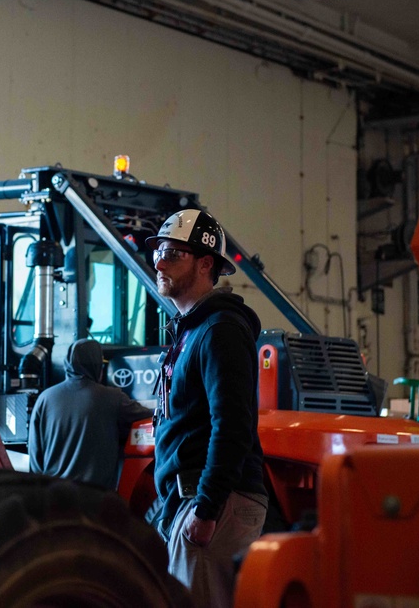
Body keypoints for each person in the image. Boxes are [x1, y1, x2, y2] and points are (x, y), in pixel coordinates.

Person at [145, 209, 267, 608]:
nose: (159, 262)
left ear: (206, 264)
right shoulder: (192, 330)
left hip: (215, 502)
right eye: (159, 252)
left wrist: (207, 509)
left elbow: (232, 425)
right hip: (191, 499)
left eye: (173, 254)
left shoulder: (219, 331)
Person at [28, 338, 153, 490]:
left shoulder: (45, 399)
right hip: (93, 499)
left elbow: (35, 454)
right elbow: (150, 416)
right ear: (97, 365)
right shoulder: (111, 398)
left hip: (53, 497)